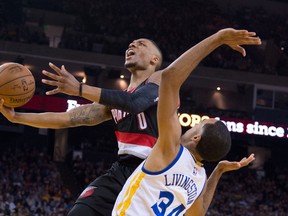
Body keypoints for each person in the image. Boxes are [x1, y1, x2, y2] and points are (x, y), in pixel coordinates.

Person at [0, 28, 261, 216]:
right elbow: (67, 119)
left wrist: (79, 89)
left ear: (154, 60)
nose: (133, 44)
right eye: (132, 43)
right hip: (121, 172)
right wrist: (16, 116)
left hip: (156, 175)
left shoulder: (158, 81)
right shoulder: (117, 100)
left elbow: (137, 104)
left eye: (142, 43)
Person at [112, 28, 260, 215]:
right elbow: (199, 212)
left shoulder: (171, 151)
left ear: (197, 137)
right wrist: (218, 172)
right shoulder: (199, 178)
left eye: (199, 124)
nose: (192, 125)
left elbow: (169, 76)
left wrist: (218, 38)